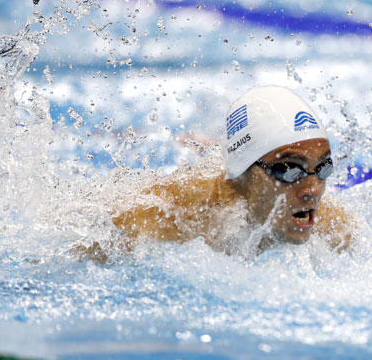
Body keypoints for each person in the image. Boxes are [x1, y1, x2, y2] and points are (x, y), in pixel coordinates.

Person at [107, 85, 354, 256]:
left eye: (323, 168)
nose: (312, 190)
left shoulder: (335, 229)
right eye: (290, 170)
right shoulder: (176, 214)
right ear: (243, 174)